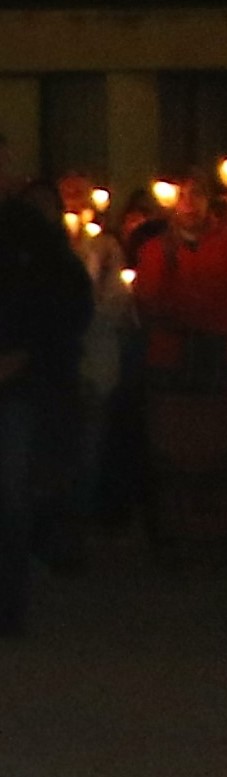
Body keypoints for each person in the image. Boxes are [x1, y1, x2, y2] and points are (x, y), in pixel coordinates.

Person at [0, 142, 97, 635]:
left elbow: (69, 298)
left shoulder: (27, 231)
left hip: (15, 381)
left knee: (10, 494)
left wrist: (28, 353)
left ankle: (8, 604)